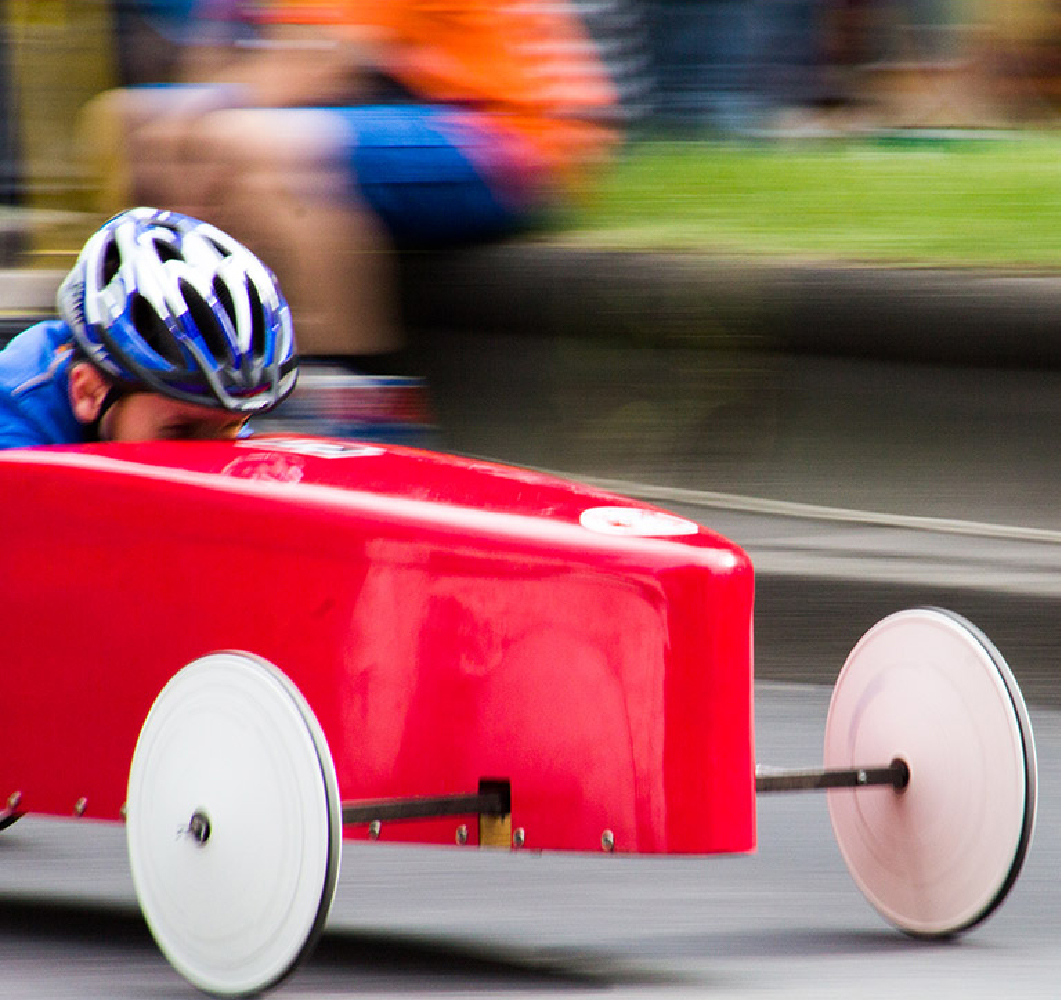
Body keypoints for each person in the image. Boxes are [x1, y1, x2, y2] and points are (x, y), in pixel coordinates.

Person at [0, 206, 298, 450]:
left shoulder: (199, 414)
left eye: (232, 428)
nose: (207, 459)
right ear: (88, 392)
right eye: (180, 432)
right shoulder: (14, 433)